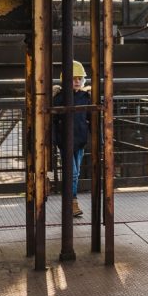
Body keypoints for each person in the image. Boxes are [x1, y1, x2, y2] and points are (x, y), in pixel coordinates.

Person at [52, 60, 91, 218]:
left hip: (80, 141)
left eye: (79, 78)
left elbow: (90, 118)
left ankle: (69, 201)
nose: (77, 81)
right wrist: (54, 140)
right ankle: (72, 202)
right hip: (65, 141)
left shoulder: (85, 97)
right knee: (73, 173)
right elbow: (53, 121)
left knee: (76, 172)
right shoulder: (60, 98)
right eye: (74, 78)